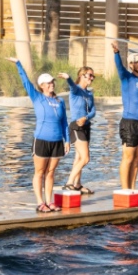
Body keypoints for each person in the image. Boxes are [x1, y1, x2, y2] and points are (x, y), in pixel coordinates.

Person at [10, 57, 68, 213]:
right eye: (48, 83)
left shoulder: (60, 101)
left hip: (57, 141)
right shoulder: (37, 97)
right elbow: (26, 82)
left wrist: (67, 140)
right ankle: (40, 202)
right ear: (42, 86)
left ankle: (50, 201)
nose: (52, 85)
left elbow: (64, 122)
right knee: (40, 172)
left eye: (52, 82)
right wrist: (18, 64)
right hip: (41, 140)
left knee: (51, 172)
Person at [110, 40, 138, 191]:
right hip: (129, 122)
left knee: (136, 159)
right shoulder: (127, 78)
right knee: (128, 158)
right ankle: (125, 190)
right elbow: (119, 67)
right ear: (131, 65)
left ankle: (133, 189)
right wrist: (117, 53)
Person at [61, 66, 97, 192]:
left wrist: (86, 118)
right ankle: (69, 182)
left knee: (78, 158)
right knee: (85, 158)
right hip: (76, 127)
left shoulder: (89, 94)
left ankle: (77, 184)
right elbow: (72, 85)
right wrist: (68, 78)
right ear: (82, 75)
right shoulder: (75, 90)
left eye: (93, 76)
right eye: (90, 75)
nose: (92, 78)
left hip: (86, 126)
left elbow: (93, 111)